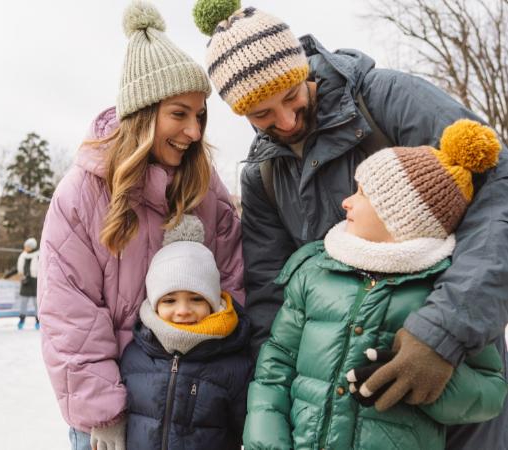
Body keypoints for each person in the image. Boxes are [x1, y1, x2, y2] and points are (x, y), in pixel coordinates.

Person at [191, 2, 508, 447]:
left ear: (303, 70)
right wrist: (271, 415)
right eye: (261, 115)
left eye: (289, 96)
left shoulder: (386, 101)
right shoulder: (262, 176)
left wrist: (443, 333)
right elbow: (272, 303)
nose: (284, 121)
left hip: (450, 381)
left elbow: (499, 188)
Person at [38, 2, 245, 449]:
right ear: (144, 112)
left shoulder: (206, 191)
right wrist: (101, 411)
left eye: (200, 115)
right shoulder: (82, 195)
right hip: (113, 415)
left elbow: (234, 288)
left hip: (196, 411)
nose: (194, 131)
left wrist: (221, 384)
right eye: (179, 113)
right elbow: (69, 314)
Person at [243, 119, 507, 449]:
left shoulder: (443, 297)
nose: (346, 202)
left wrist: (424, 381)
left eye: (363, 194)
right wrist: (266, 443)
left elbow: (490, 394)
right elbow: (275, 368)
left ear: (401, 218)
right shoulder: (314, 272)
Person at [120, 215, 252, 450]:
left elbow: (247, 431)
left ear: (212, 302)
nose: (183, 311)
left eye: (196, 299)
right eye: (170, 300)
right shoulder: (134, 355)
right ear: (154, 304)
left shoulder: (235, 363)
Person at [11, 237, 40, 330]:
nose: (25, 248)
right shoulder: (23, 256)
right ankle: (21, 320)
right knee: (23, 302)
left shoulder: (39, 255)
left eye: (27, 246)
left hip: (35, 281)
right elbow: (18, 268)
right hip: (25, 281)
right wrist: (9, 274)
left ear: (32, 247)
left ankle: (38, 321)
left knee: (37, 303)